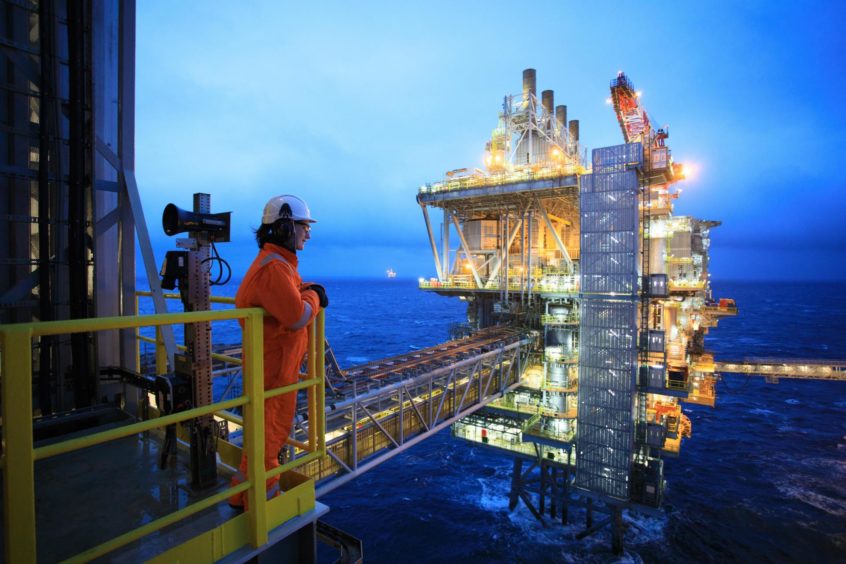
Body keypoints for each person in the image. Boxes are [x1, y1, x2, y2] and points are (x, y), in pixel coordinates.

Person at [229, 194, 329, 509]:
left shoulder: (278, 264)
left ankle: (242, 494)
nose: (308, 233)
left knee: (264, 438)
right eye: (303, 226)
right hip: (273, 371)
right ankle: (265, 504)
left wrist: (308, 290)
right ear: (286, 227)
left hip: (274, 367)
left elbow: (289, 295)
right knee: (269, 439)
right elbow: (297, 315)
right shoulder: (274, 268)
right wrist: (314, 298)